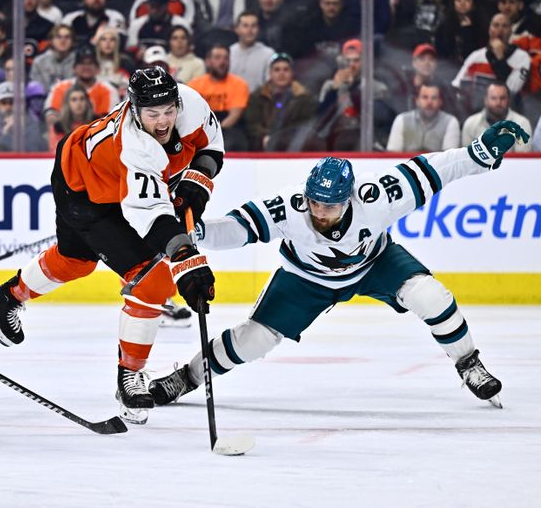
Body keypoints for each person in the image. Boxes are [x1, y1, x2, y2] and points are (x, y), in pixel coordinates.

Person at [149, 120, 532, 410]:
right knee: (254, 339)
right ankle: (187, 377)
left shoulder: (378, 195)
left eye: (329, 205)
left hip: (375, 262)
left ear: (350, 199)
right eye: (315, 202)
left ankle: (469, 364)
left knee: (433, 297)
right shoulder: (292, 207)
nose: (319, 211)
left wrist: (478, 153)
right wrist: (195, 233)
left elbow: (437, 169)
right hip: (305, 278)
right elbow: (239, 228)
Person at [0, 67, 223, 424]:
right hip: (85, 191)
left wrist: (199, 180)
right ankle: (129, 377)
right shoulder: (137, 148)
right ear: (135, 110)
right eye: (152, 114)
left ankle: (3, 298)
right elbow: (154, 219)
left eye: (168, 110)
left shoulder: (190, 103)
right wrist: (185, 259)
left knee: (76, 261)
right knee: (153, 278)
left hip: (81, 161)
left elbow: (212, 146)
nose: (163, 120)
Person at [245, 52, 317, 151]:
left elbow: (304, 125)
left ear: (292, 73)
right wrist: (266, 136)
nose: (281, 73)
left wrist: (277, 138)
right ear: (270, 73)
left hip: (292, 143)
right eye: (277, 70)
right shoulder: (256, 97)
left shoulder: (304, 98)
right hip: (262, 142)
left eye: (286, 70)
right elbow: (253, 124)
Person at [387, 82, 460, 152]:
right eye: (425, 97)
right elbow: (392, 154)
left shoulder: (450, 122)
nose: (429, 102)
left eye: (434, 98)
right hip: (406, 163)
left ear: (440, 101)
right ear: (417, 101)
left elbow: (449, 157)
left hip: (438, 164)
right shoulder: (401, 119)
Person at [460, 82, 533, 151]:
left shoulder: (522, 123)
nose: (498, 102)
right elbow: (467, 157)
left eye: (502, 98)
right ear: (485, 100)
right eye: (494, 98)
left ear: (508, 100)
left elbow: (522, 159)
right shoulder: (471, 123)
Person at [0, 81, 46, 152]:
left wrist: (7, 135)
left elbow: (31, 151)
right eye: (3, 102)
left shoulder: (30, 124)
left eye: (12, 102)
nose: (8, 106)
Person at [229, 12, 275, 92]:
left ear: (258, 29)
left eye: (253, 26)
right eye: (245, 26)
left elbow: (271, 84)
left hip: (258, 101)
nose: (250, 30)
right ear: (237, 29)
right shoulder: (229, 52)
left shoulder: (268, 54)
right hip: (231, 101)